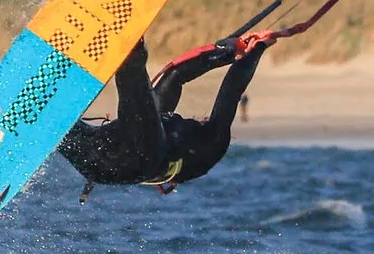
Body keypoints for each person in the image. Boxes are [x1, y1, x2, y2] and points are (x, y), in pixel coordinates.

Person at [58, 31, 270, 193]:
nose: (181, 117)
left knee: (136, 83)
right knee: (60, 126)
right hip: (97, 161)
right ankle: (41, 120)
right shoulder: (164, 129)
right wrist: (226, 52)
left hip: (138, 160)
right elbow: (175, 74)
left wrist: (257, 49)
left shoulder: (214, 141)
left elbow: (231, 90)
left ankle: (128, 43)